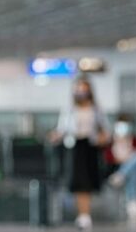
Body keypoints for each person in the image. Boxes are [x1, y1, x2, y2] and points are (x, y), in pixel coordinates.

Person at [49, 77, 110, 231]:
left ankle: (85, 214)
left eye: (84, 89)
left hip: (90, 147)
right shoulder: (69, 108)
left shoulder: (96, 109)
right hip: (74, 147)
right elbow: (62, 129)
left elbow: (104, 129)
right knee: (78, 182)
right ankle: (83, 215)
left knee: (87, 183)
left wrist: (103, 137)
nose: (81, 92)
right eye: (78, 89)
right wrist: (55, 136)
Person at [105, 114, 136, 220]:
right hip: (124, 168)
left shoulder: (135, 140)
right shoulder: (111, 141)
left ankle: (121, 174)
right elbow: (109, 159)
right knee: (133, 171)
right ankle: (132, 202)